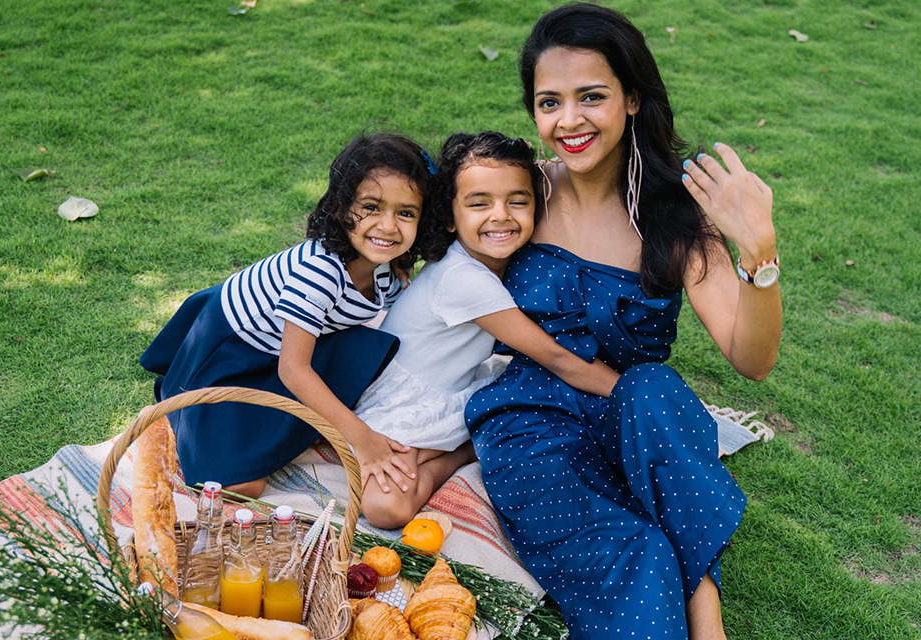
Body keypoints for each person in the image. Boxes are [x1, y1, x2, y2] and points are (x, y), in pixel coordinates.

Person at [464, 4, 782, 640]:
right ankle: (679, 579)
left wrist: (759, 254)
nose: (568, 120)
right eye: (548, 101)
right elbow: (438, 287)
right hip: (534, 420)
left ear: (632, 99)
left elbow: (753, 360)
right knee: (637, 560)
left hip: (632, 411)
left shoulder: (676, 217)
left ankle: (704, 604)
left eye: (592, 97)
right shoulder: (519, 198)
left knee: (654, 388)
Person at [139, 132, 432, 499]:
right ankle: (189, 413)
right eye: (371, 207)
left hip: (287, 345)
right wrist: (363, 440)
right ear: (341, 209)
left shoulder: (388, 267)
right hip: (233, 347)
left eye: (405, 213)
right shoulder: (320, 272)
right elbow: (293, 370)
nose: (388, 226)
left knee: (368, 352)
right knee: (237, 484)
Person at [352, 131, 620, 530]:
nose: (501, 216)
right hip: (404, 403)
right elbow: (555, 356)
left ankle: (447, 448)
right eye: (479, 203)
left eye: (518, 201)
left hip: (451, 386)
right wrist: (627, 392)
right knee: (386, 509)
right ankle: (462, 452)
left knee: (388, 502)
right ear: (448, 217)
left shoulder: (499, 257)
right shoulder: (464, 279)